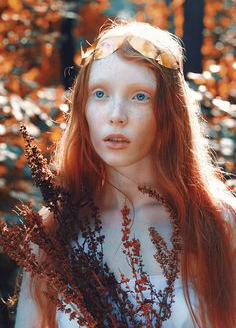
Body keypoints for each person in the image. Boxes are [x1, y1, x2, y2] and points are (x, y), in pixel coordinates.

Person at [13, 20, 235, 328]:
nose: (116, 116)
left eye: (139, 96)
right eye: (100, 93)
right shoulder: (54, 232)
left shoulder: (219, 224)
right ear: (83, 107)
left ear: (169, 114)